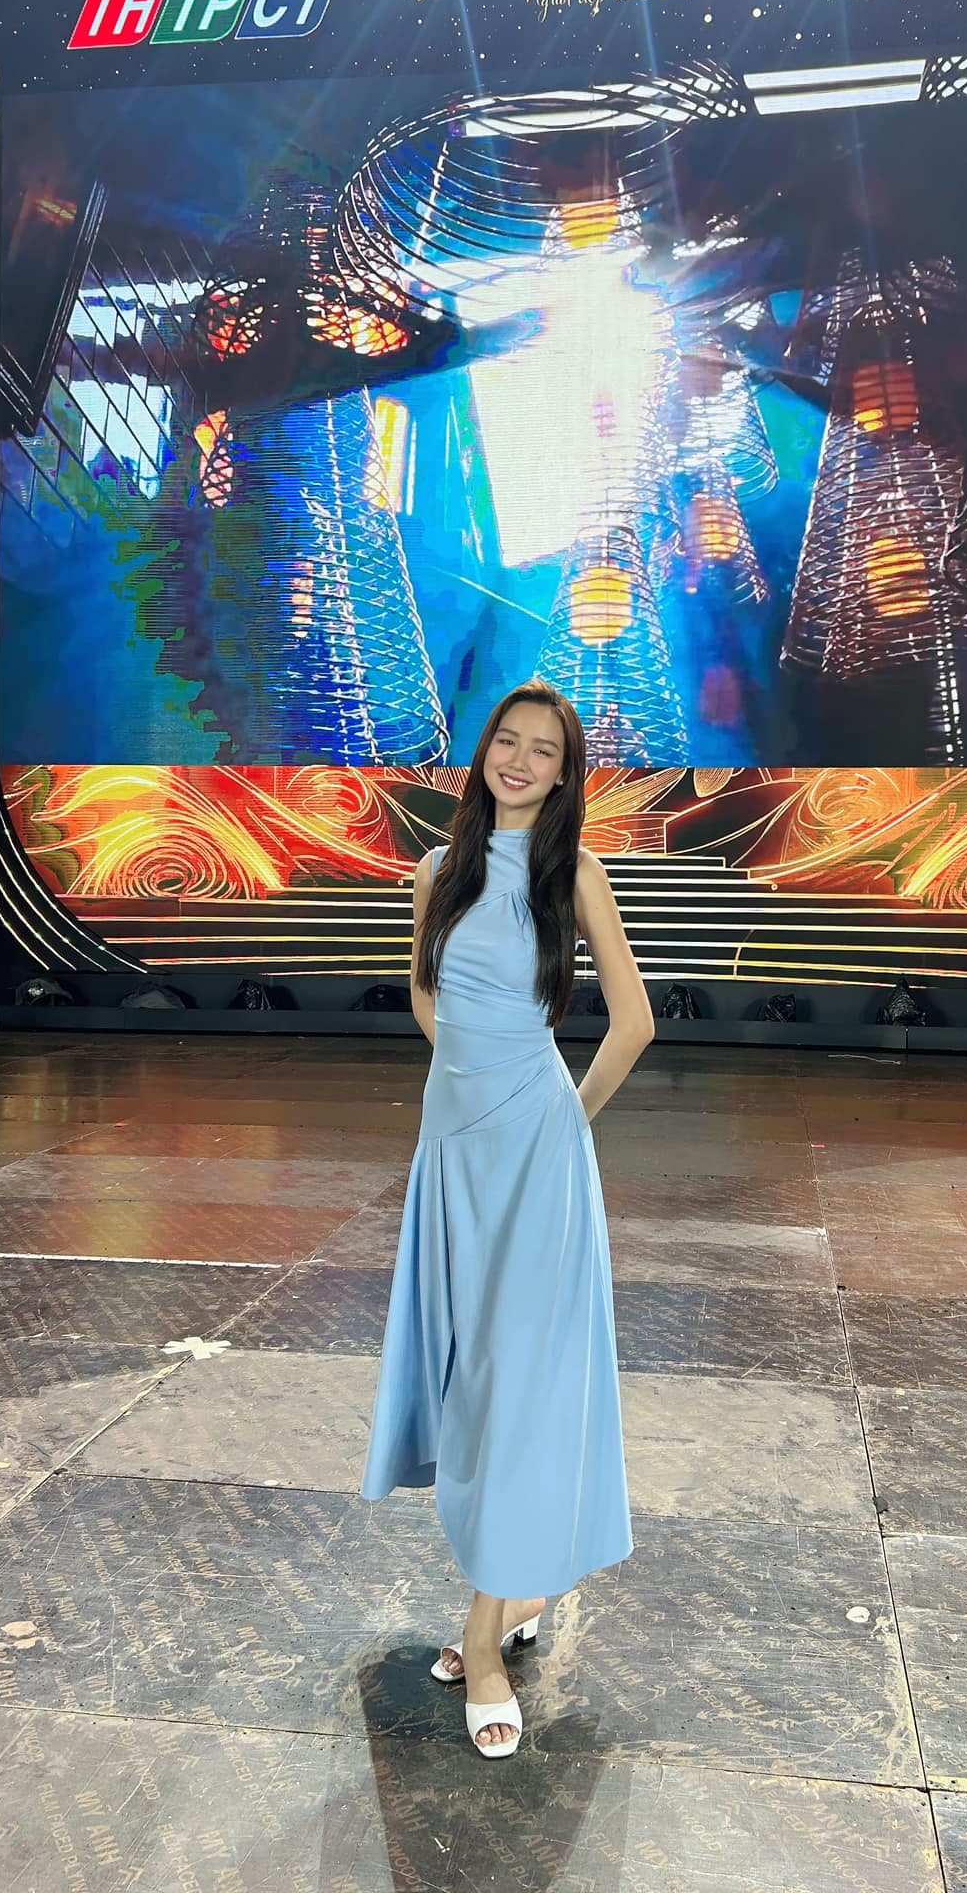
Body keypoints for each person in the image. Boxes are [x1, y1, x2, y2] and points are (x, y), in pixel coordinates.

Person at [359, 679, 656, 1757]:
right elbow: (425, 994)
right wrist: (470, 1087)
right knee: (467, 1379)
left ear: (564, 774)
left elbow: (634, 1021)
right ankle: (519, 1588)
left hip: (535, 1156)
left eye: (544, 750)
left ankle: (484, 1641)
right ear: (483, 750)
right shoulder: (435, 871)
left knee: (514, 1384)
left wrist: (559, 1119)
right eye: (508, 741)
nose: (520, 760)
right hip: (453, 1151)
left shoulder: (571, 872)